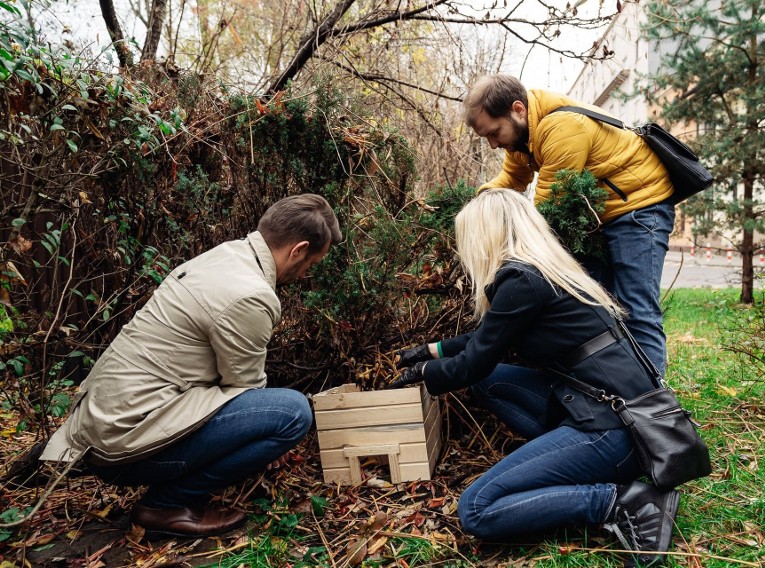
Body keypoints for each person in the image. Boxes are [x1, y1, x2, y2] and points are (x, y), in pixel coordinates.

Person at [392, 189, 680, 567]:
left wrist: (424, 373)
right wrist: (433, 350)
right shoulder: (546, 273)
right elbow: (493, 338)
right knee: (491, 381)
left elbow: (471, 365)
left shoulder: (522, 282)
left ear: (485, 235)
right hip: (619, 416)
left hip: (612, 431)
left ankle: (626, 502)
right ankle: (558, 462)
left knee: (477, 508)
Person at [40, 194, 343, 538]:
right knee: (292, 413)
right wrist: (266, 440)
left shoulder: (225, 256)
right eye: (312, 264)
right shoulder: (252, 293)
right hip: (125, 444)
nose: (306, 274)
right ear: (299, 249)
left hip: (102, 429)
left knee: (275, 411)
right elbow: (243, 387)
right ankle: (166, 505)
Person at [463, 74, 675, 376]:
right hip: (599, 215)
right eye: (487, 137)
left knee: (636, 308)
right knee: (598, 306)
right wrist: (476, 205)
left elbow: (547, 211)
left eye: (495, 133)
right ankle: (619, 386)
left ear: (518, 109)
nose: (494, 144)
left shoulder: (561, 129)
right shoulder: (523, 134)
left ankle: (655, 406)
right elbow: (512, 180)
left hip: (639, 206)